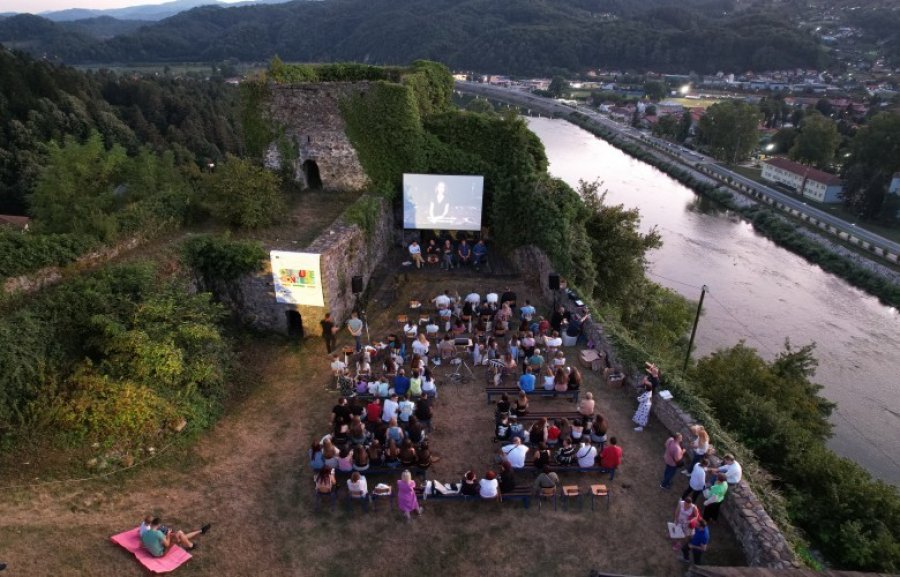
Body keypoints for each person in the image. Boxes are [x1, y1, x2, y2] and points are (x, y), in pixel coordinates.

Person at [141, 517, 210, 557]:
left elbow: (144, 544)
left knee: (179, 535)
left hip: (156, 549)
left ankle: (200, 531)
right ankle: (191, 545)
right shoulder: (158, 533)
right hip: (160, 553)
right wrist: (168, 534)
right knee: (179, 534)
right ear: (158, 525)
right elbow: (167, 544)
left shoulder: (145, 533)